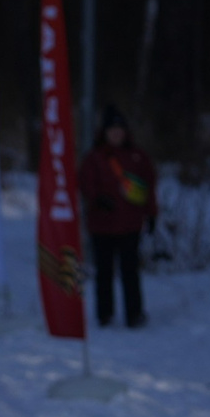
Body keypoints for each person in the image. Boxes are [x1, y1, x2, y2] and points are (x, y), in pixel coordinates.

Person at [78, 104, 158, 328]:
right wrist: (97, 199)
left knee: (130, 272)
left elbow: (149, 188)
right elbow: (85, 183)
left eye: (120, 129)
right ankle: (105, 314)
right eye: (112, 129)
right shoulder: (94, 158)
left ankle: (134, 314)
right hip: (101, 225)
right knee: (104, 272)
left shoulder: (138, 157)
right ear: (104, 132)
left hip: (130, 225)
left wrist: (151, 215)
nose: (116, 133)